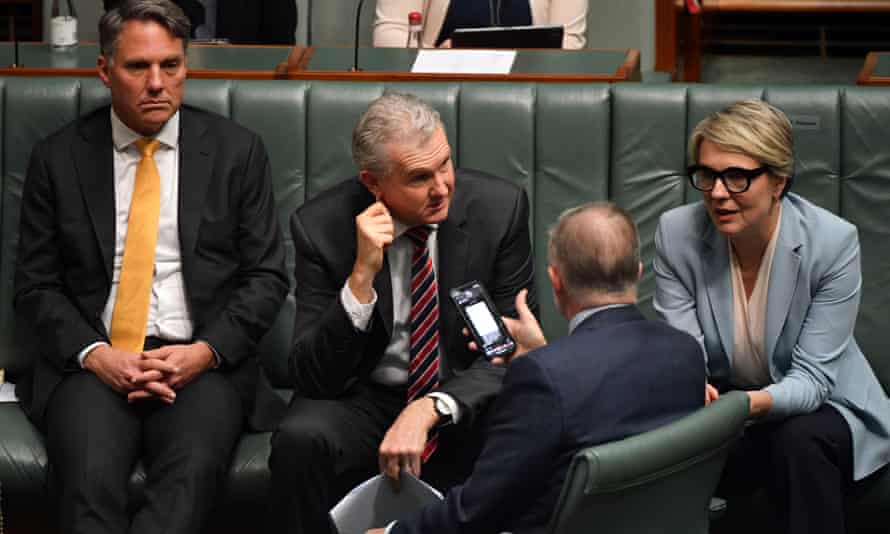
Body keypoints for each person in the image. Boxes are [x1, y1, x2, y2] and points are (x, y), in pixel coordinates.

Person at [13, 1, 289, 532]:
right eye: (139, 67)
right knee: (87, 482)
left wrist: (204, 353)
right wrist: (96, 355)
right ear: (104, 70)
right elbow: (36, 287)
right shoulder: (59, 157)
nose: (157, 83)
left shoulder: (237, 153)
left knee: (184, 490)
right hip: (92, 364)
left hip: (201, 364)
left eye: (172, 65)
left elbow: (266, 278)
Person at [266, 92, 537, 534]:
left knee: (525, 420)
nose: (442, 186)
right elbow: (312, 375)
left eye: (445, 164)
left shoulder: (499, 209)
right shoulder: (321, 227)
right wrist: (360, 278)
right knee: (300, 439)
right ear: (374, 183)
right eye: (419, 177)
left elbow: (515, 351)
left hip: (462, 393)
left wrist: (431, 408)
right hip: (365, 398)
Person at [368, 202, 706, 534]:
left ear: (556, 282)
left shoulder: (543, 379)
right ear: (638, 273)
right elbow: (611, 406)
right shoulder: (686, 353)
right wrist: (542, 357)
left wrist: (394, 532)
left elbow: (478, 509)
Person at [653, 99, 890, 534]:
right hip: (725, 406)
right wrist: (694, 389)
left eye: (737, 177)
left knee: (796, 442)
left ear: (778, 181)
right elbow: (684, 356)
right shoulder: (677, 233)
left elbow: (814, 381)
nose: (718, 193)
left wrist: (739, 407)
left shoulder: (833, 244)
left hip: (822, 406)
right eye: (707, 175)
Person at [373, 0, 586, 49]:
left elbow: (569, 41)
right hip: (434, 92)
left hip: (528, 94)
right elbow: (389, 34)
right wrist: (436, 59)